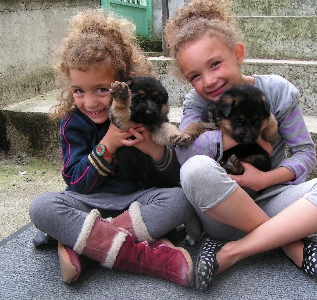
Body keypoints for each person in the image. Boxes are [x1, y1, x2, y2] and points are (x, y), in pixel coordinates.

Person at [164, 0, 317, 290]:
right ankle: (287, 241)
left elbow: (305, 152)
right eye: (195, 75)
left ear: (238, 53)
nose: (209, 80)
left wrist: (266, 177)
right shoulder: (197, 103)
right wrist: (237, 135)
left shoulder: (277, 91)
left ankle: (232, 251)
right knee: (194, 170)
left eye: (215, 63)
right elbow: (185, 154)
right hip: (221, 211)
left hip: (274, 199)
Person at [29, 9, 201, 287]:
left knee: (181, 200)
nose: (90, 102)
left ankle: (84, 247)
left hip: (139, 201)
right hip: (90, 203)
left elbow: (172, 178)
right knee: (42, 207)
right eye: (79, 91)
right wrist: (107, 145)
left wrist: (153, 150)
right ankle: (146, 256)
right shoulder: (73, 124)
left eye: (101, 89)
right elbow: (77, 183)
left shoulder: (143, 114)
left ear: (124, 84)